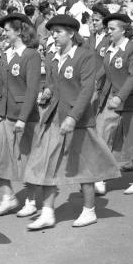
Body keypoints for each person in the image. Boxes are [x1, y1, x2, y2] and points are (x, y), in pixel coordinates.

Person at [24, 14, 118, 230]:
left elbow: (87, 90)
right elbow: (52, 83)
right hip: (54, 117)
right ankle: (47, 212)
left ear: (71, 33)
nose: (53, 36)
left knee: (84, 166)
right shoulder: (52, 56)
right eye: (52, 32)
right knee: (47, 163)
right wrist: (47, 92)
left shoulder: (85, 56)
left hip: (78, 120)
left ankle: (89, 210)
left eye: (58, 32)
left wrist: (73, 117)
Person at [0, 13, 41, 217]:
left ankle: (32, 200)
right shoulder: (6, 54)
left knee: (26, 158)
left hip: (22, 116)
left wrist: (23, 118)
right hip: (4, 114)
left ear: (19, 31)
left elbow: (32, 90)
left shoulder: (31, 55)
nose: (5, 33)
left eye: (8, 30)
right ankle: (8, 197)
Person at [94, 12, 133, 195]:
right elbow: (103, 70)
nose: (108, 32)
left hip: (130, 101)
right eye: (107, 28)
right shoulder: (110, 47)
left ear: (123, 30)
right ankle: (100, 178)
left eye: (112, 29)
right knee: (102, 135)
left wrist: (121, 96)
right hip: (111, 100)